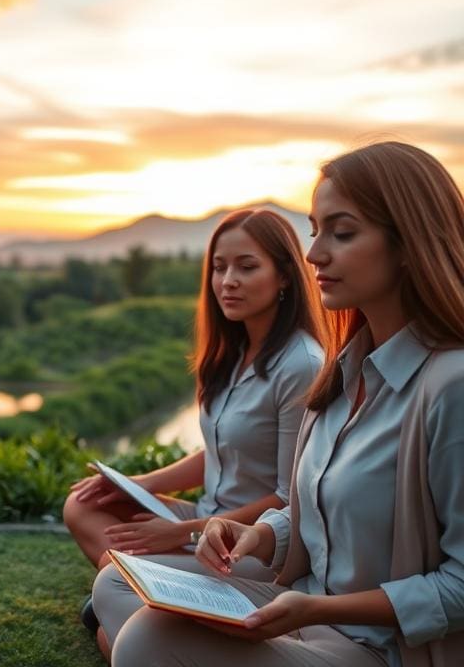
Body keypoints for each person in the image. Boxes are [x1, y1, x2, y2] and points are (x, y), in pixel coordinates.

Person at [106, 141, 464, 667]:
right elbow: (314, 510)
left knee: (147, 641)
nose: (315, 254)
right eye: (315, 231)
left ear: (409, 242)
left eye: (342, 233)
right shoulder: (342, 372)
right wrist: (252, 533)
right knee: (121, 593)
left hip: (376, 646)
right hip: (306, 612)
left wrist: (317, 609)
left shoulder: (449, 386)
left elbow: (459, 586)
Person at [72, 209, 326, 648]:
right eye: (220, 267)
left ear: (285, 276)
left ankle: (138, 606)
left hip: (248, 544)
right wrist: (136, 484)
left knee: (109, 634)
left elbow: (290, 497)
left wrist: (181, 532)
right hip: (203, 515)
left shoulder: (300, 365)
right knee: (83, 503)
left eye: (247, 267)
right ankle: (145, 599)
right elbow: (220, 449)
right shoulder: (234, 350)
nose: (228, 280)